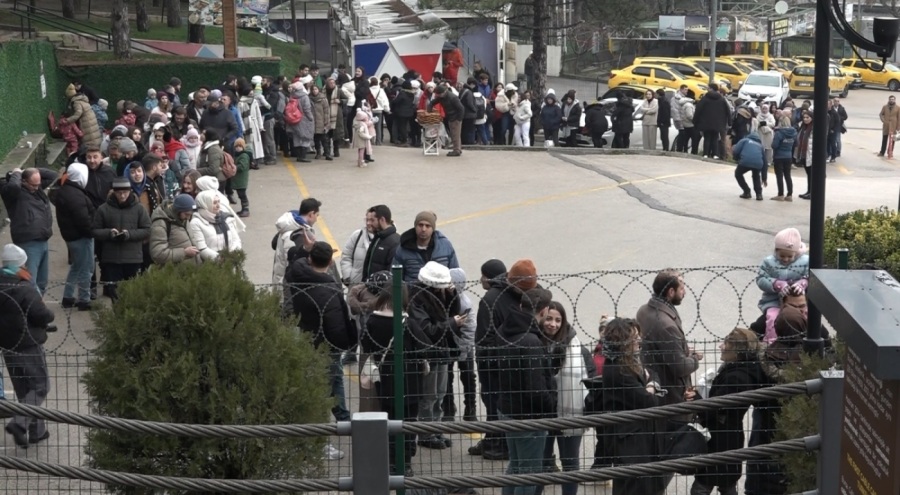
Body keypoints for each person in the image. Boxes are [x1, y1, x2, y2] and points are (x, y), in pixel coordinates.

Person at [286, 241, 355, 436]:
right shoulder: (328, 290)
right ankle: (318, 428)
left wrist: (305, 248)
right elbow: (336, 325)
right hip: (327, 343)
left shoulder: (297, 274)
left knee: (335, 379)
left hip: (308, 335)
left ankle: (342, 416)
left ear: (309, 259)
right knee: (326, 384)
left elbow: (295, 261)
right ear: (331, 261)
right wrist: (345, 344)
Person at [692, 328, 772, 495]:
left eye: (726, 343)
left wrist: (695, 398)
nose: (721, 346)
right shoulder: (746, 369)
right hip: (731, 437)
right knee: (727, 484)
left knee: (702, 486)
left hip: (719, 440)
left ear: (736, 351)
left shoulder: (736, 378)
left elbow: (714, 410)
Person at [357, 271, 419, 476]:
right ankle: (405, 462)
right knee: (408, 422)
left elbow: (365, 344)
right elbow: (425, 345)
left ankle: (391, 461)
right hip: (410, 380)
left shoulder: (374, 321)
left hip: (385, 379)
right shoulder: (408, 322)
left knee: (390, 419)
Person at [496, 286, 556, 495]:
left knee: (516, 466)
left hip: (507, 409)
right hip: (527, 416)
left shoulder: (507, 329)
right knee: (529, 475)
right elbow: (536, 389)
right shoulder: (530, 341)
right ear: (543, 311)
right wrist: (552, 407)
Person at [601, 317, 668, 495]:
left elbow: (652, 373)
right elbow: (649, 402)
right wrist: (652, 387)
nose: (639, 340)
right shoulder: (617, 370)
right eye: (634, 337)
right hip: (630, 444)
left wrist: (650, 385)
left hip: (640, 438)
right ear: (621, 342)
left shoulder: (629, 362)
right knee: (634, 488)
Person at [534, 301, 592, 495]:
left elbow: (591, 379)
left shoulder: (578, 349)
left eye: (558, 320)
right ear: (542, 317)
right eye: (549, 318)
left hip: (570, 413)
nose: (553, 324)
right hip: (543, 413)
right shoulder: (533, 343)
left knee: (570, 463)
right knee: (540, 464)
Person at [0, 244, 55, 448]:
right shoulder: (24, 287)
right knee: (40, 386)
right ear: (21, 265)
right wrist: (49, 318)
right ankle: (20, 423)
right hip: (28, 344)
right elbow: (42, 314)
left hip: (7, 345)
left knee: (24, 388)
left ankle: (36, 431)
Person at [408, 261, 462, 450]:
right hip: (430, 353)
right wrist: (452, 323)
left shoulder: (440, 295)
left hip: (442, 351)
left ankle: (435, 429)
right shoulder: (417, 299)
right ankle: (426, 433)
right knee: (429, 395)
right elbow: (428, 330)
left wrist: (452, 294)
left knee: (440, 393)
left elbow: (453, 311)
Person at [635, 269, 700, 424]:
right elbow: (680, 367)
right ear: (671, 292)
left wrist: (681, 349)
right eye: (682, 288)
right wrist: (695, 358)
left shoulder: (643, 310)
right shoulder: (667, 325)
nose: (684, 292)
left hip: (654, 385)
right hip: (670, 397)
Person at [469, 258, 512, 460]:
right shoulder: (510, 293)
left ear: (488, 277)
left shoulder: (489, 299)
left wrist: (482, 360)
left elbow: (484, 336)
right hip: (508, 359)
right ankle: (494, 440)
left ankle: (496, 444)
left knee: (492, 402)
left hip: (491, 362)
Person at [92, 177, 152, 300]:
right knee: (115, 294)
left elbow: (147, 230)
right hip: (112, 259)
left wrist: (129, 234)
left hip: (133, 259)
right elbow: (95, 230)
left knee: (132, 293)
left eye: (125, 192)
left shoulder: (139, 209)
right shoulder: (103, 209)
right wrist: (109, 233)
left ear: (130, 191)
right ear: (114, 192)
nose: (122, 195)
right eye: (119, 193)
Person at [1, 167, 57, 295]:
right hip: (28, 242)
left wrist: (29, 170)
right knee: (30, 281)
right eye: (34, 185)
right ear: (23, 181)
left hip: (43, 239)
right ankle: (30, 309)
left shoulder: (34, 189)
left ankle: (37, 308)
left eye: (38, 184)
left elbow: (53, 175)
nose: (37, 188)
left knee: (42, 282)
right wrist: (16, 173)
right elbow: (14, 187)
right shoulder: (12, 192)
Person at [52, 162, 95, 310]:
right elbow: (83, 220)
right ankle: (84, 300)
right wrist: (93, 232)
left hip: (71, 236)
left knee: (76, 267)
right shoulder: (76, 195)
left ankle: (68, 296)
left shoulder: (66, 190)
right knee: (86, 268)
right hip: (81, 237)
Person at [756, 227, 809, 344]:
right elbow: (761, 279)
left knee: (804, 318)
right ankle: (774, 344)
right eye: (782, 256)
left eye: (790, 256)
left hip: (798, 302)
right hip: (773, 300)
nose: (785, 259)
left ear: (796, 252)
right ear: (776, 251)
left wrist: (804, 282)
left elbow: (812, 275)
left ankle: (803, 342)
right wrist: (776, 284)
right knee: (772, 318)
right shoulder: (769, 262)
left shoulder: (806, 261)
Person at [444, 267, 478, 422]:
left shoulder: (464, 303)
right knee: (447, 376)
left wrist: (463, 352)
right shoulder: (443, 298)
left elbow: (470, 330)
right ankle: (448, 409)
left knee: (468, 374)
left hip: (463, 342)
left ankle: (470, 409)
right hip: (447, 342)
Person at [393, 210, 460, 282]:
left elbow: (455, 273)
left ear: (433, 229)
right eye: (420, 225)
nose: (423, 229)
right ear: (415, 227)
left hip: (439, 292)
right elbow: (395, 278)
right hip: (414, 292)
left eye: (427, 226)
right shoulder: (403, 249)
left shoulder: (445, 246)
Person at [187, 190, 242, 262]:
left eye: (219, 202)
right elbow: (201, 248)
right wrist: (221, 259)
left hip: (230, 263)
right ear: (205, 204)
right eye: (214, 203)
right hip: (210, 266)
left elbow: (236, 240)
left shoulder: (226, 218)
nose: (218, 205)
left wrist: (233, 255)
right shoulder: (196, 223)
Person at [149, 194, 200, 265]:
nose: (188, 218)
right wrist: (184, 252)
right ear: (178, 211)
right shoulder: (160, 223)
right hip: (174, 272)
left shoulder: (184, 218)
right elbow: (158, 254)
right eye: (186, 214)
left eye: (190, 215)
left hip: (190, 270)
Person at [694, 83, 730, 159]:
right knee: (715, 138)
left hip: (706, 122)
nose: (707, 89)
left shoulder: (705, 98)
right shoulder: (722, 99)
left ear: (711, 89)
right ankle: (715, 154)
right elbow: (728, 111)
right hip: (718, 123)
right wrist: (729, 122)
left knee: (707, 138)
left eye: (708, 88)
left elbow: (698, 110)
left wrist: (695, 121)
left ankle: (705, 153)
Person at [732, 131, 767, 201]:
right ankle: (759, 194)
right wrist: (764, 178)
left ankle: (747, 191)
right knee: (756, 176)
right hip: (758, 163)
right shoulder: (760, 146)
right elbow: (765, 162)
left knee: (738, 174)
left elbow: (736, 151)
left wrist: (736, 159)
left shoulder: (744, 140)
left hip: (745, 161)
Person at [64, 83, 102, 148]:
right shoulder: (82, 99)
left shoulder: (76, 102)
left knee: (90, 143)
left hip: (87, 123)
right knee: (95, 140)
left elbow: (78, 114)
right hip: (91, 121)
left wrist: (67, 120)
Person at [433, 85, 465, 156]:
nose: (438, 95)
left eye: (439, 94)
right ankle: (458, 149)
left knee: (455, 134)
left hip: (455, 118)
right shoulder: (442, 97)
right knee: (455, 134)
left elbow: (461, 108)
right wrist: (430, 106)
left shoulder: (452, 97)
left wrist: (459, 119)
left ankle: (456, 150)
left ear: (443, 92)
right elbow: (435, 101)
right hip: (450, 117)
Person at [771, 116, 797, 201]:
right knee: (788, 175)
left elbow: (774, 145)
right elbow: (796, 143)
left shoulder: (779, 133)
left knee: (779, 176)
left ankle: (780, 194)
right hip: (788, 156)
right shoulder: (793, 132)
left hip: (779, 156)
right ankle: (789, 195)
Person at [795, 111, 814, 200]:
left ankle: (812, 192)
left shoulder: (813, 128)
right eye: (804, 118)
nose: (805, 119)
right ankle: (808, 191)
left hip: (810, 154)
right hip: (804, 154)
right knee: (808, 174)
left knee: (812, 174)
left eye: (808, 117)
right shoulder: (802, 127)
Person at [231, 138, 252, 217]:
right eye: (236, 146)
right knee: (240, 194)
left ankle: (246, 209)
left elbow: (242, 166)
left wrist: (235, 167)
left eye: (239, 146)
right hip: (239, 180)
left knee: (242, 195)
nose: (238, 148)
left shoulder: (244, 156)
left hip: (241, 180)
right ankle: (244, 209)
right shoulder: (238, 155)